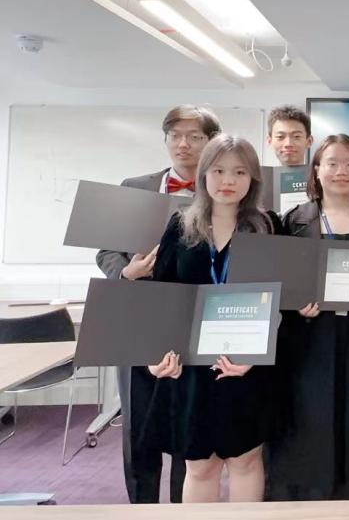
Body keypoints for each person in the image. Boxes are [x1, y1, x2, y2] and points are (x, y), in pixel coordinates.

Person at [95, 104, 221, 504]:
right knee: (138, 420)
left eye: (195, 137)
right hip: (137, 316)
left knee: (187, 418)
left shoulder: (222, 188)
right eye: (175, 136)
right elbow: (106, 250)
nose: (184, 144)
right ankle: (142, 508)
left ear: (211, 141)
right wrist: (126, 272)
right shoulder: (133, 187)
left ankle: (184, 508)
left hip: (192, 317)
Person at [149, 134, 281, 503]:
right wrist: (156, 355)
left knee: (245, 461)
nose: (228, 180)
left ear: (253, 178)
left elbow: (281, 302)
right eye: (219, 170)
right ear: (204, 173)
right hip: (191, 368)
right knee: (199, 466)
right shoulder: (180, 225)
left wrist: (254, 357)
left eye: (240, 172)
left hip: (245, 365)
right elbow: (160, 296)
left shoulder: (268, 226)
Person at [267, 134, 349, 501]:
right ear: (317, 171)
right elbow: (281, 282)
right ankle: (310, 493)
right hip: (309, 337)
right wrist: (295, 305)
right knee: (311, 410)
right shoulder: (293, 220)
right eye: (333, 163)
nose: (342, 171)